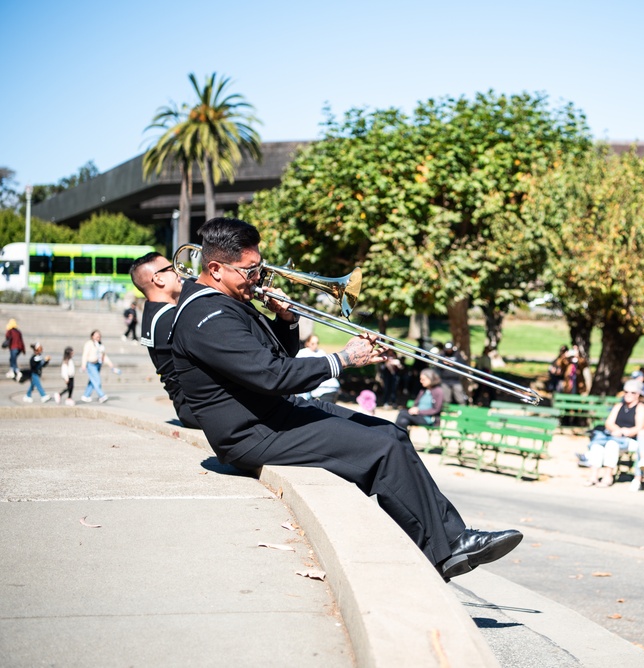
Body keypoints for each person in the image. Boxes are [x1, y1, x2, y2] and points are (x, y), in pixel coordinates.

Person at [169, 217, 520, 580]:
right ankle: (442, 552)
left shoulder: (224, 302)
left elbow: (275, 362)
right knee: (380, 451)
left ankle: (452, 538)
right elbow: (273, 376)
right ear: (214, 268)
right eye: (250, 270)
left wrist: (287, 320)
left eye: (259, 267)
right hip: (251, 434)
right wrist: (343, 360)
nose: (258, 276)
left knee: (392, 435)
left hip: (270, 414)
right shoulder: (207, 315)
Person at [130, 252, 198, 427]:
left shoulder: (153, 313)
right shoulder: (170, 319)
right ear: (158, 279)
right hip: (198, 409)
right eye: (172, 268)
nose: (179, 273)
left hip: (189, 408)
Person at [584, 379, 644, 487]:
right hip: (614, 436)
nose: (628, 395)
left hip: (630, 440)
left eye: (632, 392)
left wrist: (625, 432)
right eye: (626, 392)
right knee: (597, 446)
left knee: (611, 446)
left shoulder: (640, 408)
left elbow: (639, 427)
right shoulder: (619, 406)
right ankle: (593, 475)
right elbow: (609, 422)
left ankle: (608, 476)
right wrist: (616, 429)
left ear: (638, 394)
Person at [295, 334, 342, 404]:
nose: (315, 345)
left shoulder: (321, 353)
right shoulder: (302, 353)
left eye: (317, 343)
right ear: (307, 343)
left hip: (327, 387)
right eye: (312, 343)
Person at [80, 329, 115, 404]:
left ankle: (86, 395)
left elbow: (104, 356)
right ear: (92, 336)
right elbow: (85, 354)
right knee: (97, 380)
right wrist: (83, 365)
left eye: (99, 335)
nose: (98, 337)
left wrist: (110, 364)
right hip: (91, 364)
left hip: (98, 364)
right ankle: (101, 395)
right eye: (96, 335)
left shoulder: (100, 345)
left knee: (92, 381)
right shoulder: (89, 344)